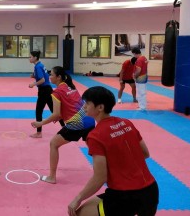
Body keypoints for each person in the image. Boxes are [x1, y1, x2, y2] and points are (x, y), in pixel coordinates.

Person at [68, 86, 159, 216]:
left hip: (125, 196)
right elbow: (145, 153)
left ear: (100, 107)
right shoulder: (126, 123)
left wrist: (77, 198)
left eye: (87, 103)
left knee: (79, 213)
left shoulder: (95, 136)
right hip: (150, 192)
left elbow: (100, 177)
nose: (84, 107)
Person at [31, 66, 95, 184]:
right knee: (93, 147)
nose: (49, 77)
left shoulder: (56, 92)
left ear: (58, 77)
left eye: (51, 75)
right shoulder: (71, 86)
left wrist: (41, 123)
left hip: (77, 123)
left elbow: (56, 114)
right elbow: (69, 108)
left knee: (53, 144)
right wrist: (60, 116)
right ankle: (103, 172)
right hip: (89, 119)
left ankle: (52, 177)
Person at [28, 50, 64, 138]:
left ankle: (39, 133)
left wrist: (33, 84)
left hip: (44, 91)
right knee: (54, 111)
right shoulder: (40, 65)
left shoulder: (37, 66)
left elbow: (43, 80)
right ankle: (65, 128)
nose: (29, 58)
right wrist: (34, 76)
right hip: (48, 90)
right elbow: (46, 76)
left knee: (39, 111)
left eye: (30, 57)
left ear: (35, 58)